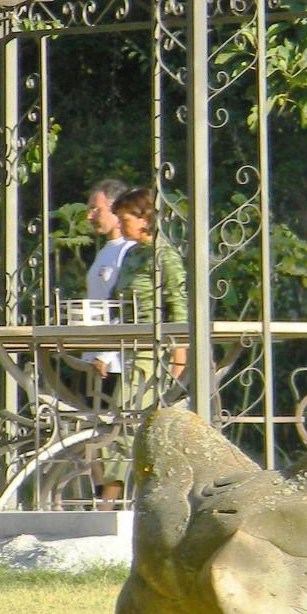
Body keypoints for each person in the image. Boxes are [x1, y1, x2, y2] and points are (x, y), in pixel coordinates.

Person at [97, 187, 187, 503]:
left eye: (126, 219)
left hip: (154, 351)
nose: (121, 227)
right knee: (120, 421)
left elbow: (178, 304)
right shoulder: (132, 254)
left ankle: (112, 503)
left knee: (124, 422)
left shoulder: (164, 255)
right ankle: (116, 500)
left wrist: (179, 355)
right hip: (130, 348)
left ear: (146, 217)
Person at [78, 177, 133, 385]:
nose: (89, 216)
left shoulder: (129, 251)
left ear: (116, 210)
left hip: (116, 362)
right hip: (95, 356)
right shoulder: (104, 251)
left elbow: (127, 307)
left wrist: (106, 354)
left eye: (95, 209)